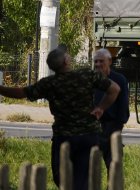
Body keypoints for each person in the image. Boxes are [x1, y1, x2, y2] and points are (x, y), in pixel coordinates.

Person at [0, 45, 119, 190]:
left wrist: (0, 88)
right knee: (85, 179)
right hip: (88, 135)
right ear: (66, 62)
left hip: (63, 137)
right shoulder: (87, 75)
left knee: (62, 177)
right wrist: (101, 108)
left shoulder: (49, 84)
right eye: (67, 55)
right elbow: (114, 89)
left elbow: (21, 93)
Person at [92, 48, 130, 169]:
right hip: (93, 127)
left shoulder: (119, 79)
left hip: (112, 127)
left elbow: (123, 107)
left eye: (101, 61)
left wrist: (117, 128)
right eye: (96, 61)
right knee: (90, 165)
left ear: (109, 61)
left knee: (114, 165)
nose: (98, 64)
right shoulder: (90, 79)